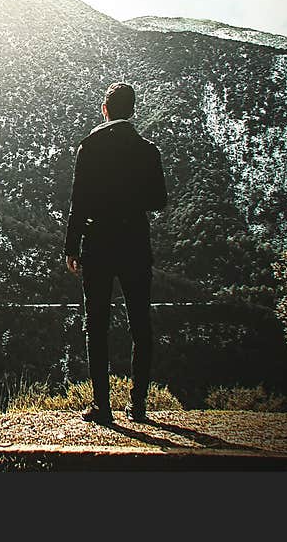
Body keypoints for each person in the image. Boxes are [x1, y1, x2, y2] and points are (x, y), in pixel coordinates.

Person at [64, 82, 167, 425]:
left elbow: (78, 201)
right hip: (135, 243)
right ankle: (138, 407)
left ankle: (102, 407)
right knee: (140, 324)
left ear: (105, 109)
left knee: (96, 324)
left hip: (99, 244)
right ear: (132, 110)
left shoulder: (90, 146)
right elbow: (159, 201)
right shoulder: (148, 150)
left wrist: (71, 246)